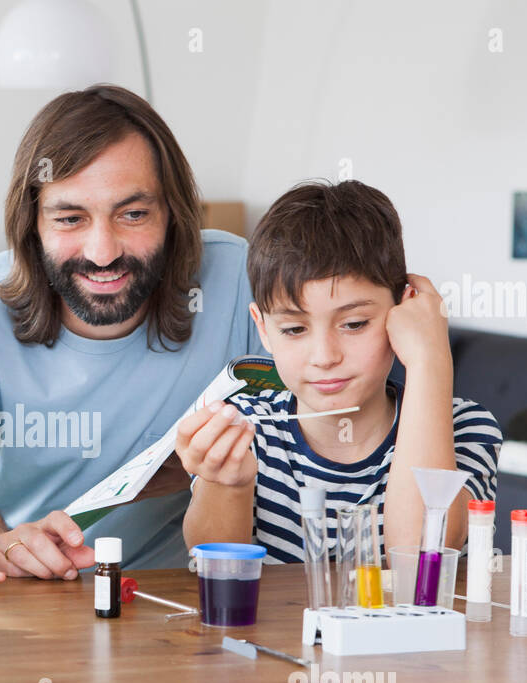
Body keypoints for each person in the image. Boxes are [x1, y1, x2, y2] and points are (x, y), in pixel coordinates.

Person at [0, 84, 256, 579]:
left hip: (180, 600)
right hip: (29, 595)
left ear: (173, 215)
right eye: (70, 218)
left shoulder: (240, 278)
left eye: (133, 214)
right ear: (32, 224)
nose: (103, 251)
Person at [177, 180, 503, 560]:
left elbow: (419, 558)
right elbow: (212, 567)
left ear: (404, 312)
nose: (324, 356)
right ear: (263, 329)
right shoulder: (246, 426)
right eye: (294, 329)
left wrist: (430, 359)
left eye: (353, 324)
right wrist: (227, 483)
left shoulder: (464, 428)